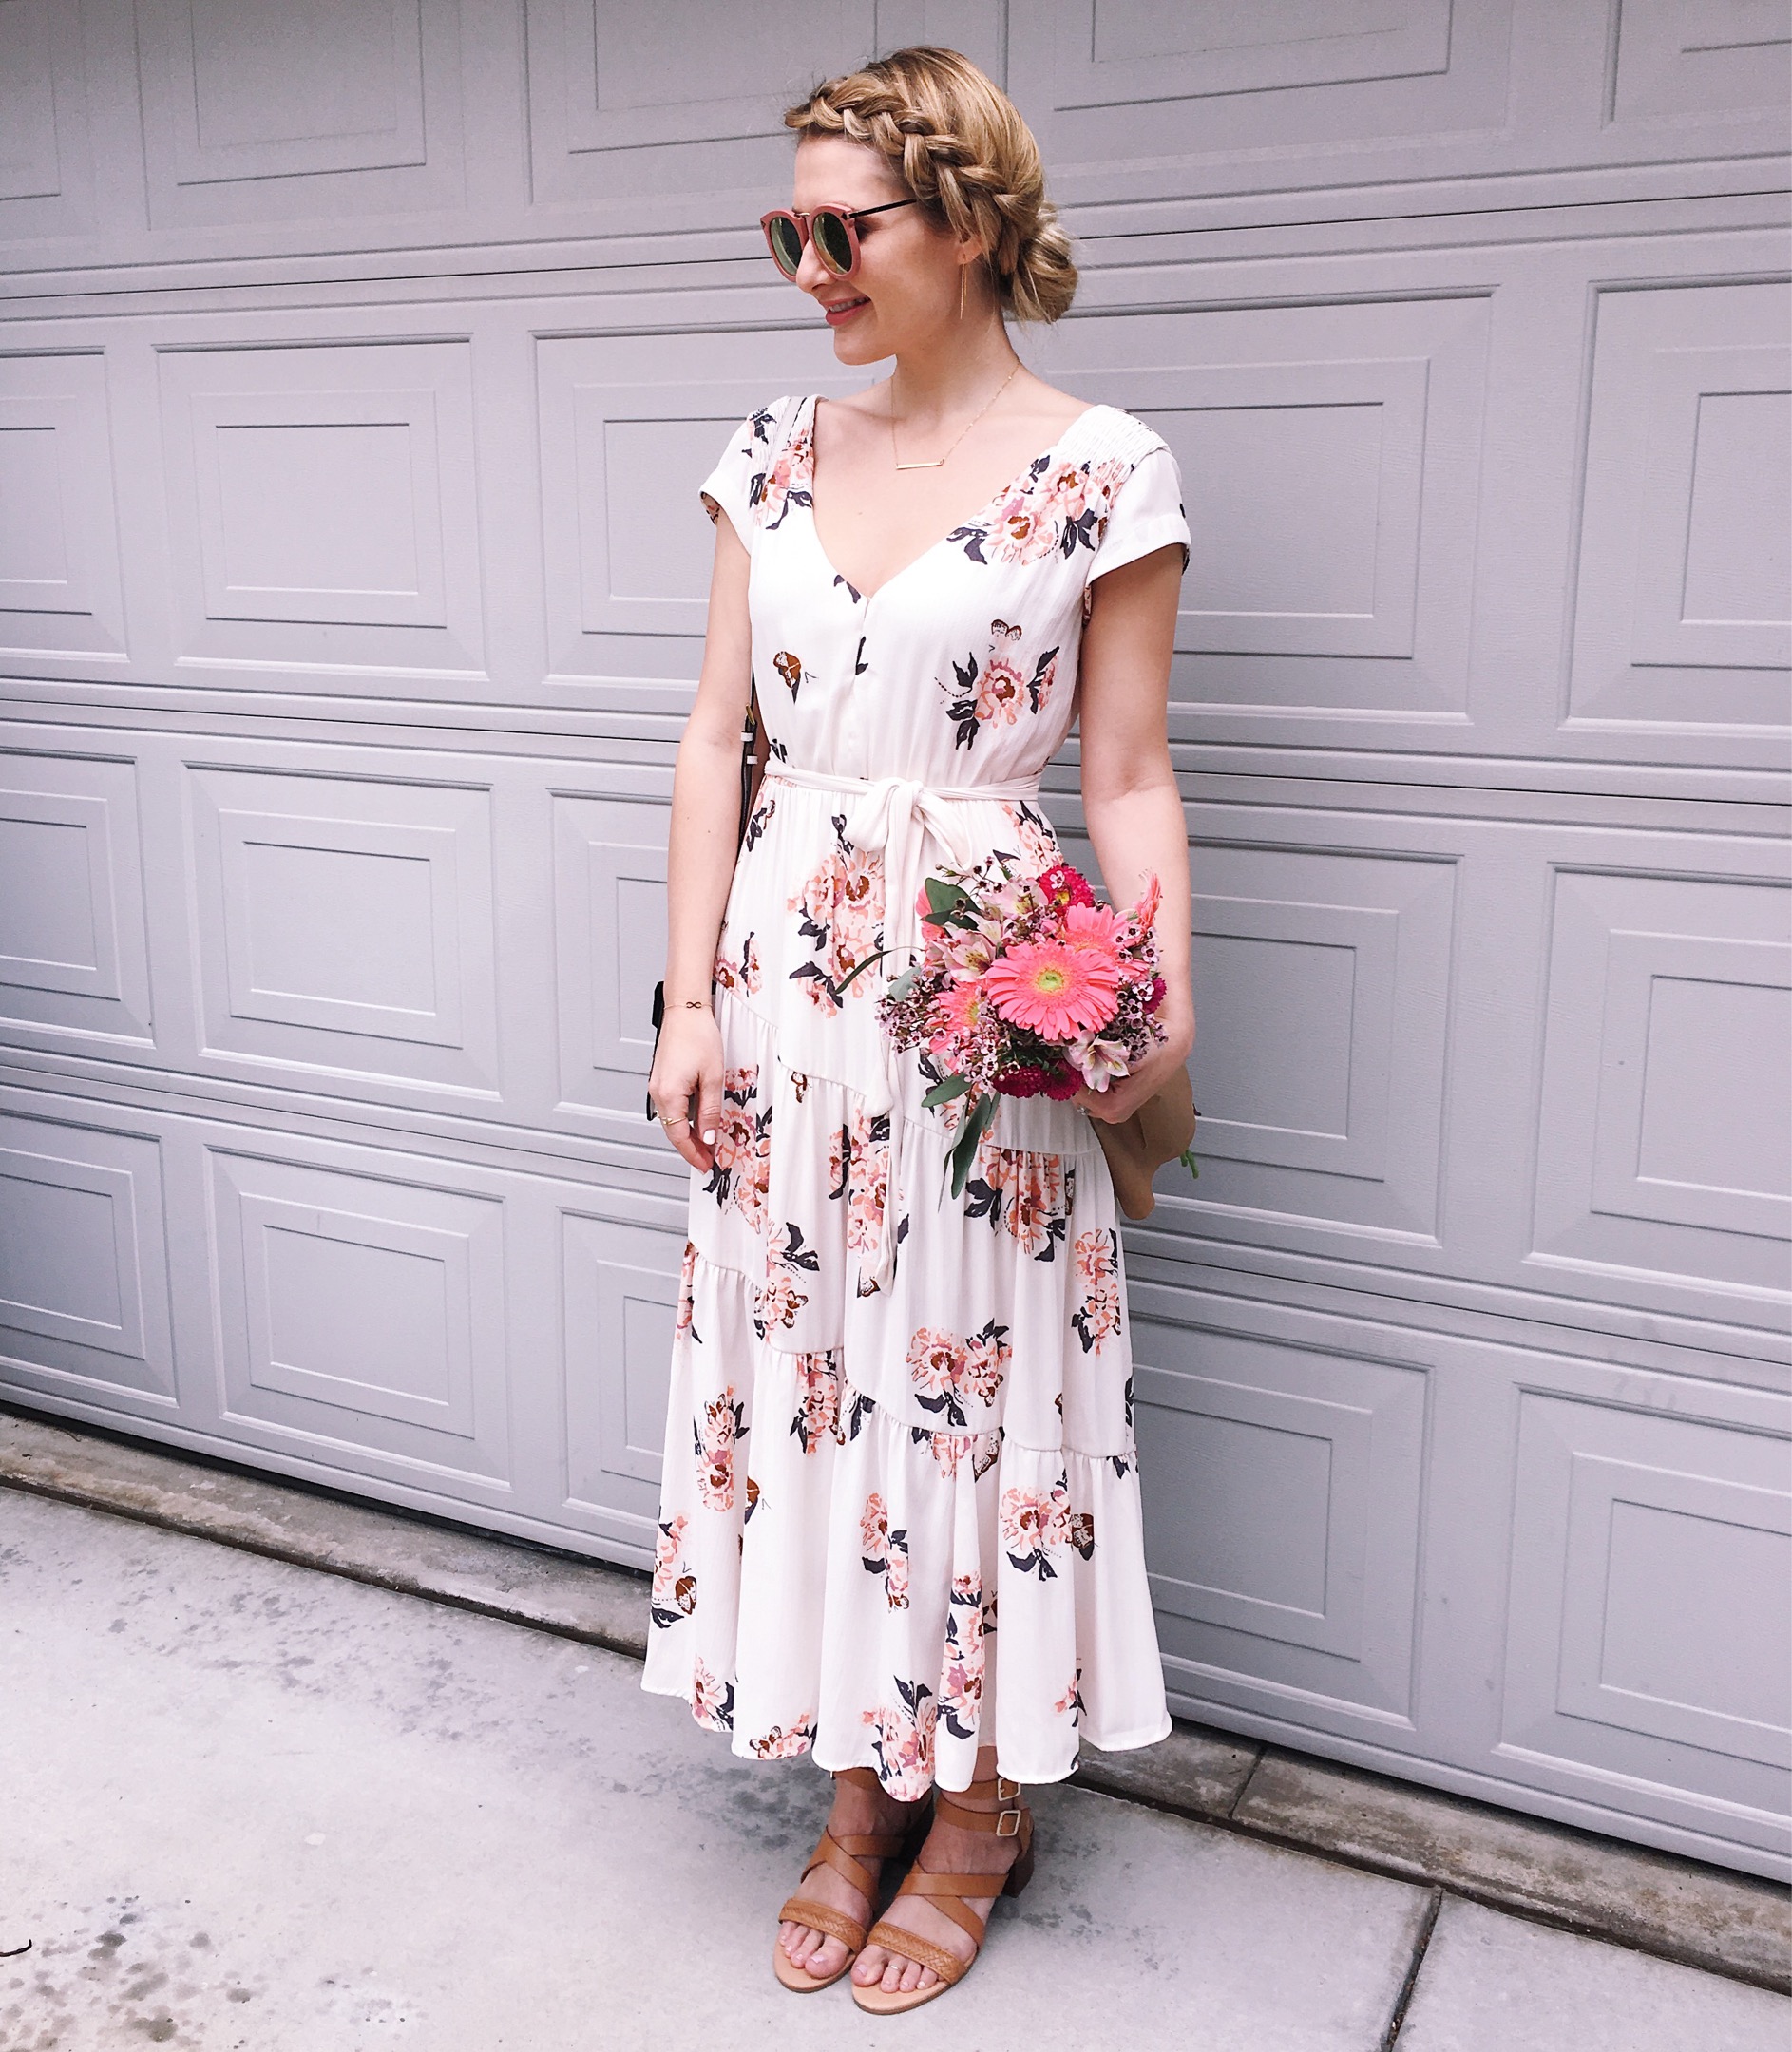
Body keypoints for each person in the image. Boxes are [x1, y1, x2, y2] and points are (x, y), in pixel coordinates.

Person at [641, 45, 1193, 2017]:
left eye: (838, 226)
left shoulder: (1100, 469)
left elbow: (1124, 774)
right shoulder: (769, 448)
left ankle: (971, 1806)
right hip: (785, 999)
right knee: (806, 1373)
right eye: (781, 228)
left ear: (965, 218)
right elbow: (718, 734)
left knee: (967, 1383)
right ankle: (856, 1781)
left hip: (984, 1008)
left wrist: (1152, 989)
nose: (804, 265)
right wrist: (686, 993)